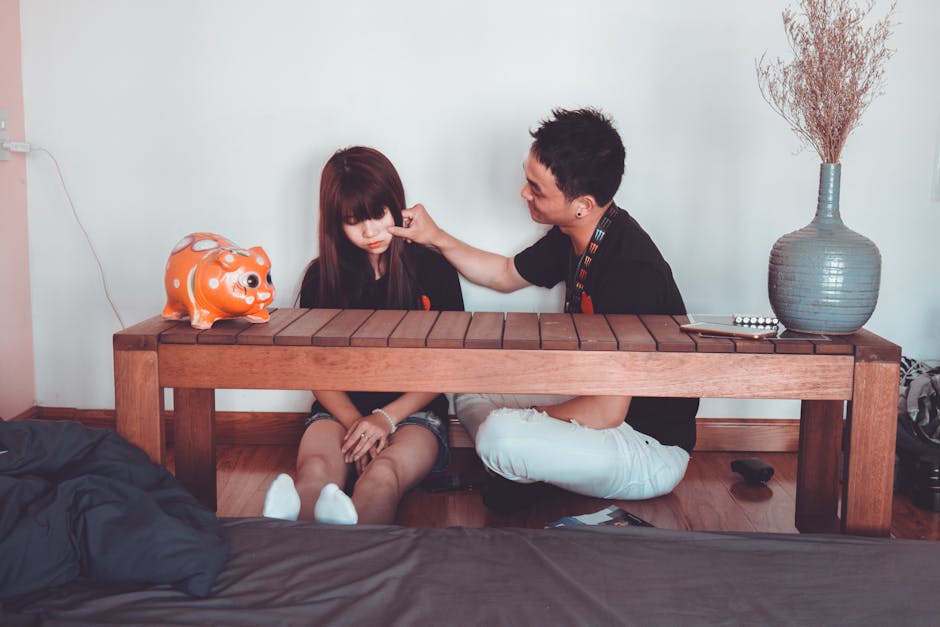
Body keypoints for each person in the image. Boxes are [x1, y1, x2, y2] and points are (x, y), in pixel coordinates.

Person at [388, 108, 698, 508]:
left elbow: (607, 411)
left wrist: (528, 417)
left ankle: (519, 464)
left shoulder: (631, 271)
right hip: (593, 402)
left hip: (645, 444)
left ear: (582, 204)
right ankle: (526, 467)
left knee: (502, 435)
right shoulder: (574, 234)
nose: (524, 192)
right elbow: (502, 274)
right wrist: (435, 236)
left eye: (536, 188)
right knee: (471, 383)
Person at [263, 146, 464, 524]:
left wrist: (385, 420)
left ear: (395, 206)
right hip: (338, 413)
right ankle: (291, 548)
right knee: (315, 478)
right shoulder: (321, 278)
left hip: (414, 415)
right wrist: (358, 422)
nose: (370, 231)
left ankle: (356, 568)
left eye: (378, 215)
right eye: (355, 221)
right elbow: (314, 370)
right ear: (336, 223)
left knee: (381, 479)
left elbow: (446, 365)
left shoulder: (433, 270)